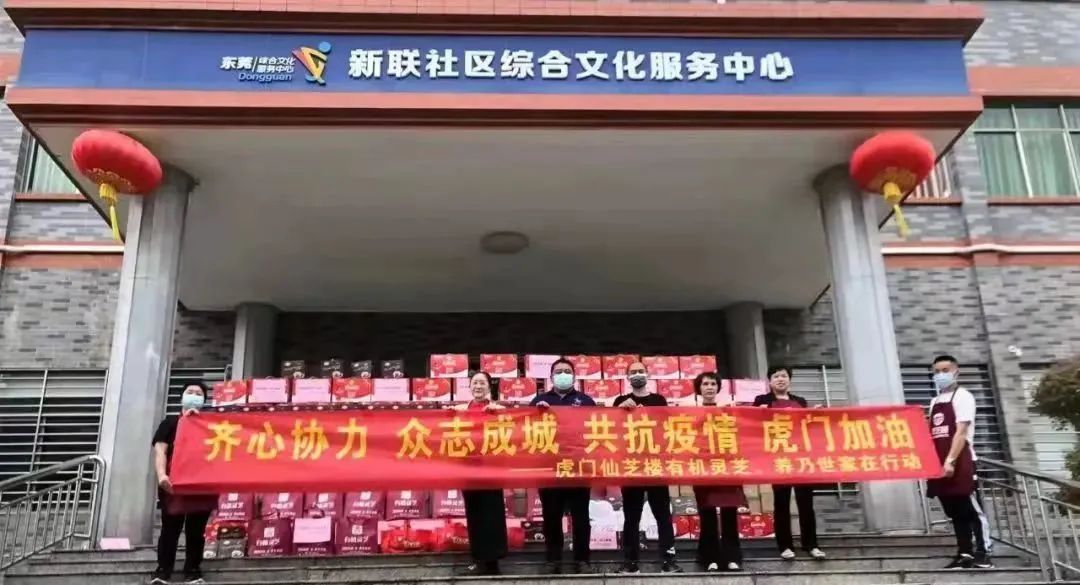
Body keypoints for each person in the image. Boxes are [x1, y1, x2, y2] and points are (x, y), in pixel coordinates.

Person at [613, 361, 683, 574]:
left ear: (648, 374)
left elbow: (666, 428)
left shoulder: (659, 400)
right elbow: (612, 429)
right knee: (631, 516)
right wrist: (620, 411)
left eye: (640, 371)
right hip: (632, 465)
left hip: (655, 464)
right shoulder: (620, 401)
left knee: (662, 515)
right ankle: (630, 561)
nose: (637, 374)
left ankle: (668, 560)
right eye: (633, 372)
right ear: (627, 377)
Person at [927, 355, 993, 569]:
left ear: (956, 371)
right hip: (938, 464)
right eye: (936, 372)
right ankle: (965, 553)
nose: (940, 375)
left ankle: (984, 553)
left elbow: (961, 432)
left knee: (971, 509)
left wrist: (951, 461)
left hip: (961, 462)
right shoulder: (935, 401)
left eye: (945, 370)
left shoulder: (963, 396)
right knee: (954, 511)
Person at [531, 357, 596, 575]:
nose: (563, 375)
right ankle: (553, 560)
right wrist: (537, 415)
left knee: (581, 517)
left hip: (578, 468)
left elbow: (595, 430)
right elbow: (527, 432)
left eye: (567, 371)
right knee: (551, 516)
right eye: (558, 372)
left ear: (574, 376)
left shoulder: (586, 401)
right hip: (549, 468)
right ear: (551, 377)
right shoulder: (539, 401)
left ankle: (582, 560)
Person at [754, 366, 825, 561]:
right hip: (779, 458)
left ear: (789, 380)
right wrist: (759, 414)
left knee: (806, 503)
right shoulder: (762, 401)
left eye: (784, 376)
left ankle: (811, 544)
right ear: (769, 381)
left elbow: (806, 427)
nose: (780, 379)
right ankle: (785, 545)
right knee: (781, 502)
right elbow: (753, 425)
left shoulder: (800, 401)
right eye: (776, 376)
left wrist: (814, 415)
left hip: (801, 458)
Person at [151, 383, 215, 585]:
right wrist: (162, 475)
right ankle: (163, 571)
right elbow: (160, 451)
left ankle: (193, 571)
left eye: (199, 394)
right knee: (170, 529)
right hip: (173, 483)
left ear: (204, 400)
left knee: (196, 530)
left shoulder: (211, 424)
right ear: (182, 397)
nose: (194, 396)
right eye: (190, 392)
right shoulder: (170, 423)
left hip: (201, 485)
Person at [451, 372, 510, 576]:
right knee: (474, 514)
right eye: (475, 382)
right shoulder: (460, 410)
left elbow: (511, 431)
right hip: (468, 469)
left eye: (482, 383)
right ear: (470, 386)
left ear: (489, 386)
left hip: (492, 470)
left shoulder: (498, 409)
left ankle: (494, 560)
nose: (478, 386)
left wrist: (499, 415)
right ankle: (478, 558)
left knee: (493, 514)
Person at [693, 372, 746, 572]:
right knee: (707, 513)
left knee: (729, 512)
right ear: (699, 388)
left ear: (718, 388)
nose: (709, 387)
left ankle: (732, 557)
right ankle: (710, 558)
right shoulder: (689, 413)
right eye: (705, 384)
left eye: (713, 384)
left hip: (726, 468)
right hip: (703, 469)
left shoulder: (728, 411)